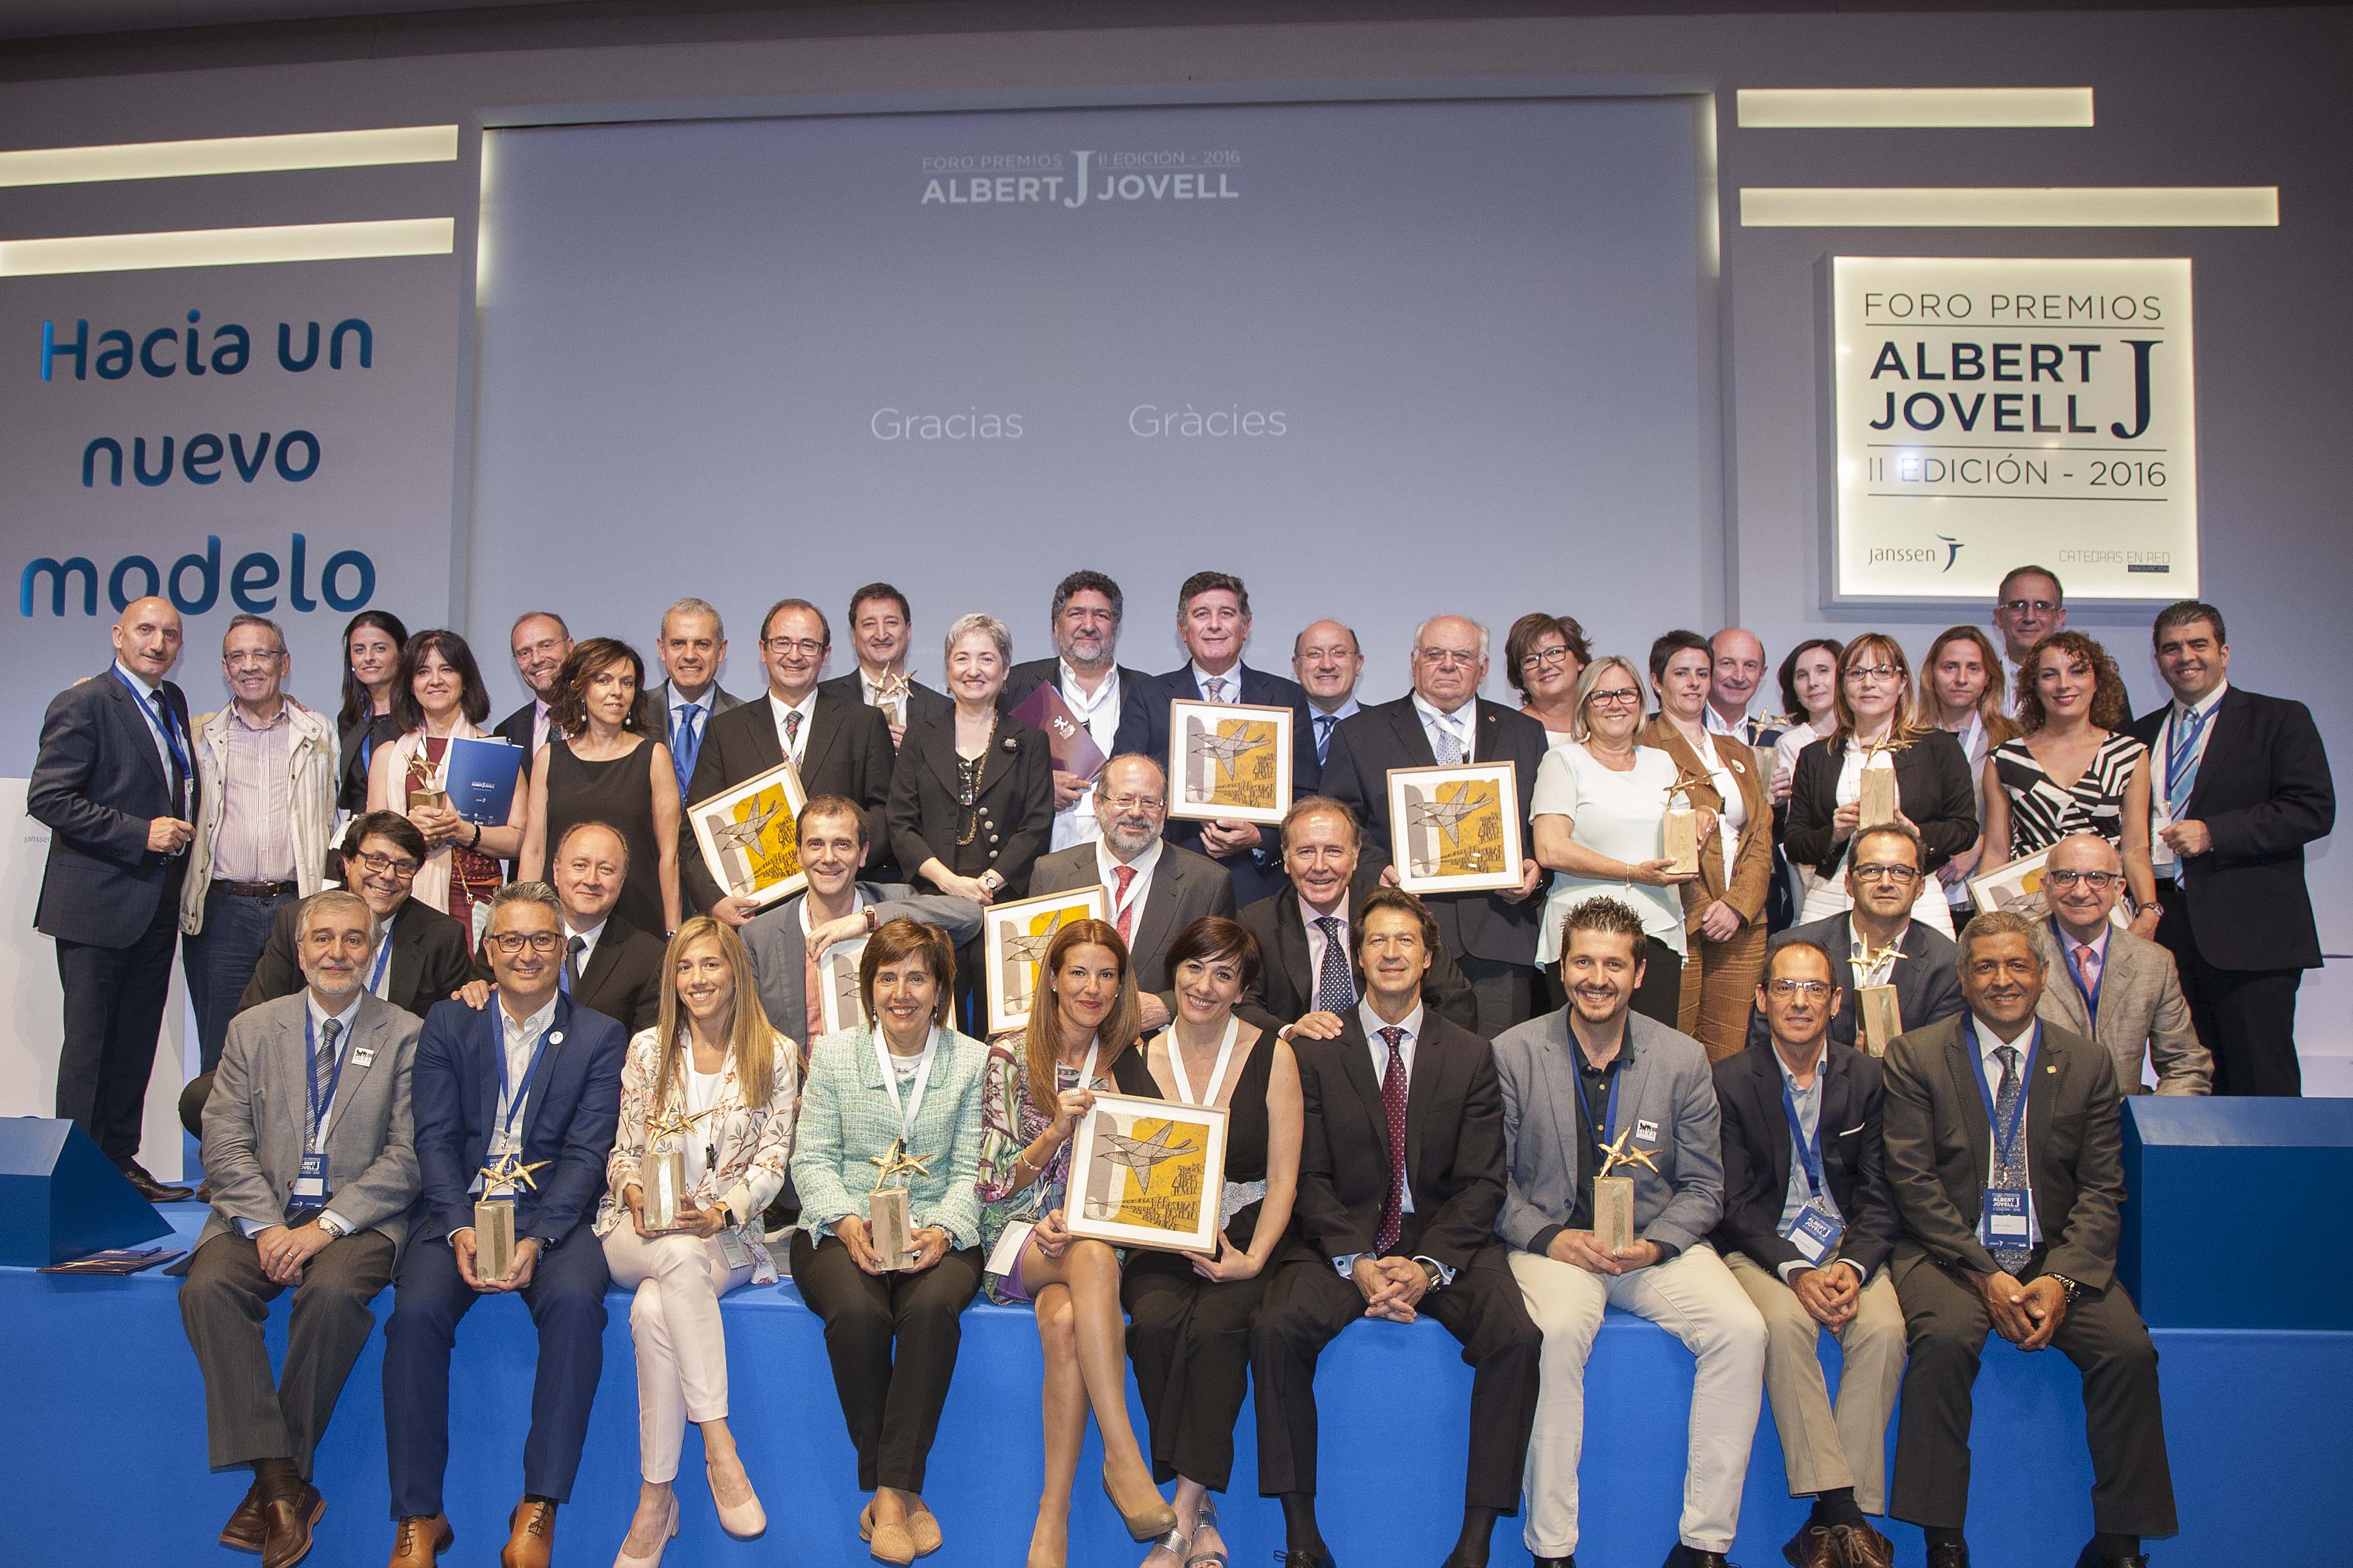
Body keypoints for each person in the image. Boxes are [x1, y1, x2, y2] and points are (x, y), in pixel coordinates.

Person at [1252, 889, 1540, 1568]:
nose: (1390, 952)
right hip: (1342, 1239)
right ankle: (1302, 1537)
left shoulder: (1470, 1054)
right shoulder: (1316, 1052)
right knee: (1273, 1329)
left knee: (1517, 1338)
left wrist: (1428, 1266)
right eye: (1376, 940)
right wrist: (1355, 1259)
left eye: (1404, 940)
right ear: (1357, 956)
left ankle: (1474, 1544)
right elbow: (1307, 1177)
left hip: (1441, 1240)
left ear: (1428, 957)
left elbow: (1482, 1183)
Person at [1881, 911, 2176, 1568]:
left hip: (2054, 1257)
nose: (2002, 979)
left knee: (2128, 1350)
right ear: (1962, 978)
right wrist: (1984, 1272)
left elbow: (2102, 1189)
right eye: (1985, 966)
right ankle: (1943, 1540)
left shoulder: (2087, 1063)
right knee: (1944, 1340)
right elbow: (1912, 1182)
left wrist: (2060, 1278)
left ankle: (2119, 1543)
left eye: (2016, 964)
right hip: (1949, 1254)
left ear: (2042, 974)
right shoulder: (1916, 1056)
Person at [1492, 897, 1764, 1568]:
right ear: (1561, 968)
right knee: (1557, 1333)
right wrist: (1550, 1237)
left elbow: (1704, 1186)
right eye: (1583, 962)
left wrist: (1657, 1244)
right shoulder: (1512, 1052)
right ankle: (1552, 1548)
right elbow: (1490, 1184)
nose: (1597, 978)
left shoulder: (1683, 1058)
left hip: (1649, 1247)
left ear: (1639, 974)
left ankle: (1704, 1545)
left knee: (1742, 1330)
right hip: (1555, 1247)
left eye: (1613, 965)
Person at [381, 882, 627, 1568]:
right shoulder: (448, 1022)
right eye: (511, 939)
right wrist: (459, 1226)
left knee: (576, 1306)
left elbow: (588, 1153)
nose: (527, 953)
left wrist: (538, 1238)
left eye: (542, 939)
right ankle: (419, 1514)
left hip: (554, 1217)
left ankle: (539, 1504)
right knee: (414, 1316)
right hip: (460, 1211)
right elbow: (433, 1138)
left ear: (563, 948)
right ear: (488, 949)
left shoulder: (600, 1034)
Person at [178, 889, 420, 1568]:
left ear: (372, 951)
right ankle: (284, 1481)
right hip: (262, 1214)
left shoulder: (407, 1033)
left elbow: (409, 1155)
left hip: (359, 1219)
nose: (337, 952)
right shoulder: (253, 1028)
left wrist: (325, 1228)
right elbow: (224, 1140)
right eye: (323, 938)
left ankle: (273, 1484)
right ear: (300, 947)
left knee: (333, 1294)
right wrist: (264, 1227)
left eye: (353, 939)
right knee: (207, 1288)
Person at [970, 920, 1178, 1567]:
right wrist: (1055, 1132)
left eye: (1106, 974)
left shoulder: (1130, 1061)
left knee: (1064, 1320)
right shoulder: (1009, 1054)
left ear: (1121, 987)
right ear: (1054, 980)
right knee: (1087, 1255)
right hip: (1016, 1235)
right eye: (1079, 972)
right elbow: (992, 1183)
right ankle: (1122, 1455)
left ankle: (1051, 1517)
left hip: (1097, 1244)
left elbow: (1151, 1177)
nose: (1092, 987)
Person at [597, 917, 801, 1566]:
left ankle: (655, 1500)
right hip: (634, 1233)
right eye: (685, 967)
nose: (697, 979)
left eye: (710, 964)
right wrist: (635, 1193)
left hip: (724, 1239)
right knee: (673, 1257)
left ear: (736, 971)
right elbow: (621, 1152)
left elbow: (772, 1162)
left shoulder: (776, 1053)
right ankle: (719, 1446)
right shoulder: (647, 1049)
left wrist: (717, 1212)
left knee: (655, 1306)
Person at [787, 918, 989, 1567]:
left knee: (931, 1311)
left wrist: (943, 1229)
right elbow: (811, 1159)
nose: (901, 992)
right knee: (857, 1313)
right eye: (887, 977)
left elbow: (971, 1170)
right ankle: (903, 1495)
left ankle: (886, 1495)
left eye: (917, 977)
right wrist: (847, 1222)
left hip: (938, 1230)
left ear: (940, 990)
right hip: (840, 1226)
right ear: (867, 988)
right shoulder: (833, 1055)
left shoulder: (973, 1061)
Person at [1112, 916, 1302, 1568]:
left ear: (1243, 989)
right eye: (1194, 967)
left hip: (1246, 1227)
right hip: (1158, 1231)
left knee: (1218, 1330)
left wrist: (1252, 1258)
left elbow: (1284, 1177)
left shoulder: (1274, 1054)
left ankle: (1183, 1515)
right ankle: (1203, 1510)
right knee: (1155, 1327)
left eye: (1224, 974)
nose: (1205, 985)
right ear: (1173, 972)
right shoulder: (1133, 1057)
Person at [1713, 940, 1904, 1568]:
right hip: (1765, 1250)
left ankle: (1824, 1523)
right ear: (1761, 998)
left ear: (1836, 1000)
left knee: (1884, 1330)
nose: (1799, 1001)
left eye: (1814, 988)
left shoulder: (1869, 1078)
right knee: (1785, 1325)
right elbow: (1734, 1202)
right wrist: (1795, 1270)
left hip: (1848, 1248)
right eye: (1785, 987)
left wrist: (1852, 1266)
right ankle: (1846, 1515)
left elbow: (1881, 1194)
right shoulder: (1729, 1080)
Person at [30, 594, 200, 1201]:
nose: (158, 643)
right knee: (89, 1049)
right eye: (146, 630)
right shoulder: (84, 702)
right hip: (96, 904)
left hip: (155, 904)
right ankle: (77, 1181)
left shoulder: (172, 701)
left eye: (171, 634)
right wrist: (139, 833)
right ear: (117, 635)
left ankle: (119, 1164)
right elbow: (48, 797)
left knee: (134, 1044)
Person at [2126, 601, 2334, 1096]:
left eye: (2198, 644)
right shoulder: (2139, 736)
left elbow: (2312, 809)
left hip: (2252, 938)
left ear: (2224, 652)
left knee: (2262, 1085)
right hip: (2169, 934)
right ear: (2158, 661)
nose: (2185, 657)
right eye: (2172, 648)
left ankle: (2276, 1156)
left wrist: (2215, 832)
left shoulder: (2278, 718)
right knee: (2191, 1085)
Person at [1322, 614, 1548, 1035]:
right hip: (1401, 935)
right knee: (1407, 1065)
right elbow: (1340, 822)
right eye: (1434, 654)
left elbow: (1543, 823)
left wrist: (1535, 867)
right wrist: (1375, 868)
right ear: (1414, 662)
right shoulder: (1360, 733)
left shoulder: (1525, 733)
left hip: (1499, 936)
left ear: (1483, 668)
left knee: (1501, 1067)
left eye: (1463, 655)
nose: (1448, 665)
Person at [180, 614, 338, 1075]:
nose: (249, 665)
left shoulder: (319, 732)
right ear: (225, 668)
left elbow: (337, 818)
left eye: (261, 654)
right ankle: (220, 1129)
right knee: (222, 1049)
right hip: (222, 913)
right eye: (237, 656)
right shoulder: (199, 735)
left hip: (297, 907)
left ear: (284, 663)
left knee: (296, 1048)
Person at [681, 598, 898, 922]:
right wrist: (715, 902)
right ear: (763, 650)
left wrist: (843, 858)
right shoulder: (725, 731)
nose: (795, 655)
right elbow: (694, 832)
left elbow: (887, 813)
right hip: (756, 917)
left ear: (825, 655)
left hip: (842, 912)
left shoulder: (863, 723)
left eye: (808, 645)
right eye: (782, 643)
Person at [1112, 571, 1319, 906]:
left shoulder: (1285, 698)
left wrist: (1262, 838)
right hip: (1169, 877)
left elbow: (1307, 794)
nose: (1214, 625)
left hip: (1260, 885)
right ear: (1183, 629)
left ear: (1245, 626)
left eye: (1226, 613)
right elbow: (1123, 782)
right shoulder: (1148, 696)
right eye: (1201, 614)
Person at [740, 794, 986, 1054]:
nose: (829, 857)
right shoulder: (758, 936)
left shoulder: (895, 901)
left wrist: (866, 920)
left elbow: (970, 916)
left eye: (842, 845)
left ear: (863, 853)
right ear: (798, 854)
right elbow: (751, 1036)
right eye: (816, 844)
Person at [1530, 656, 1696, 1026]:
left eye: (1626, 693)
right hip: (1583, 935)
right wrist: (1632, 872)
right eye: (1602, 695)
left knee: (1653, 1051)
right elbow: (1550, 848)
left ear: (1641, 701)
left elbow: (1681, 840)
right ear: (1584, 705)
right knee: (1578, 1050)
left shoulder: (1662, 763)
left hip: (1656, 931)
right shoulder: (1563, 761)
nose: (1615, 704)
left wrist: (1700, 824)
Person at [1234, 795, 1479, 1037]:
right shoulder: (1257, 923)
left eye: (1333, 851)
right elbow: (1240, 1005)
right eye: (1306, 852)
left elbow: (1455, 1002)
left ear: (1355, 856)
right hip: (1297, 1055)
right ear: (1287, 858)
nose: (1319, 866)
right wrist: (1288, 1032)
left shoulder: (1396, 913)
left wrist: (1404, 1045)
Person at [1786, 635, 1976, 937]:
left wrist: (1916, 834)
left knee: (1929, 968)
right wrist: (1834, 834)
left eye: (1882, 672)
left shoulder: (1938, 748)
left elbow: (1965, 828)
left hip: (1916, 895)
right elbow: (1795, 842)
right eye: (1856, 673)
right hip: (1833, 894)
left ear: (1902, 683)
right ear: (1842, 684)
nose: (1868, 683)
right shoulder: (1816, 756)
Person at [1028, 754, 1236, 1027]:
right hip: (1066, 1037)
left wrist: (1168, 1006)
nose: (1136, 812)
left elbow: (1223, 978)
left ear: (1164, 810)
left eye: (1149, 802)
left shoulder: (1208, 883)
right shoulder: (1051, 873)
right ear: (1098, 804)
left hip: (1158, 1042)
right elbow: (1035, 970)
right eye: (1124, 800)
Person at [1643, 629, 1772, 1059]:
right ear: (1657, 681)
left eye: (1702, 673)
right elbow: (1652, 836)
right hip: (1679, 918)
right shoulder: (1643, 745)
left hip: (1742, 923)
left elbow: (1760, 834)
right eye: (1681, 673)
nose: (1694, 683)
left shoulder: (1737, 751)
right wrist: (1703, 910)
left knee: (1728, 1055)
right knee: (1673, 1051)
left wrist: (1738, 905)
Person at [1979, 631, 2158, 938]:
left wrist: (2149, 910)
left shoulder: (2129, 755)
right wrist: (1987, 929)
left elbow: (2136, 850)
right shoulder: (2005, 759)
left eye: (2077, 672)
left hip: (2109, 919)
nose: (2064, 684)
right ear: (2035, 686)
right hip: (2030, 920)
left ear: (2097, 681)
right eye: (2050, 674)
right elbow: (1996, 854)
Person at [1746, 824, 1967, 1059]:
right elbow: (1764, 1051)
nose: (1886, 883)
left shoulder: (1947, 964)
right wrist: (1851, 1070)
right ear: (1849, 884)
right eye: (1871, 870)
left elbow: (1942, 1062)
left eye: (1901, 872)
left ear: (1920, 886)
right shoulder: (1791, 949)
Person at [236, 813, 478, 1024]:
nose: (388, 875)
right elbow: (255, 1016)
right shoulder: (298, 918)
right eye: (377, 861)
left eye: (404, 866)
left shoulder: (442, 936)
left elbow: (451, 1031)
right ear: (348, 862)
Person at [888, 612, 1054, 913]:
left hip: (1002, 901)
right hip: (931, 899)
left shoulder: (1032, 742)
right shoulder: (920, 737)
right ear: (948, 668)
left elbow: (1036, 828)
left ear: (1006, 670)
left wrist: (987, 884)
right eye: (962, 659)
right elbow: (901, 824)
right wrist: (950, 883)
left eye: (986, 659)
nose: (973, 670)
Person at [367, 630, 526, 939]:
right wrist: (408, 831)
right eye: (423, 672)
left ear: (465, 680)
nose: (435, 680)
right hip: (402, 896)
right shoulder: (389, 755)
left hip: (473, 899)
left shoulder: (494, 752)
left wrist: (462, 831)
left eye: (447, 669)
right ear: (410, 684)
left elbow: (521, 840)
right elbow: (372, 840)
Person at [519, 638, 682, 938]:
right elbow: (535, 849)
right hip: (559, 922)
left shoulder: (653, 757)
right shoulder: (548, 758)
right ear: (580, 688)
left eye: (627, 682)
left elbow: (669, 854)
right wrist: (523, 922)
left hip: (636, 922)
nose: (617, 691)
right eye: (604, 680)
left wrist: (673, 931)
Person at [2031, 834, 2210, 1096]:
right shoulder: (2015, 956)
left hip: (2124, 1116)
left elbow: (2186, 1064)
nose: (2080, 892)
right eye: (2066, 877)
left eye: (2097, 878)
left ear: (2118, 889)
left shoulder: (2153, 962)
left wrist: (2149, 1119)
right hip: (2039, 1119)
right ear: (2046, 887)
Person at [454, 822, 667, 1036]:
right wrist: (474, 991)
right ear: (556, 871)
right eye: (580, 866)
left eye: (606, 870)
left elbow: (644, 1049)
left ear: (622, 879)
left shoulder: (648, 958)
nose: (591, 880)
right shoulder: (507, 937)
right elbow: (480, 1009)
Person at [1001, 570, 1149, 854]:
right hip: (1035, 858)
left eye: (1101, 616)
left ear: (1115, 627)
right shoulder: (1015, 686)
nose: (1089, 626)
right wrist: (1038, 788)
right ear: (1056, 626)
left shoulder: (1148, 692)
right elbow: (988, 771)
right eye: (1077, 614)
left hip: (1127, 858)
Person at [1917, 627, 2015, 920]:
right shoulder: (1907, 740)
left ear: (1988, 678)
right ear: (1932, 675)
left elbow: (2028, 819)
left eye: (1973, 668)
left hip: (1985, 891)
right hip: (1920, 892)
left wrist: (1981, 843)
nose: (1961, 678)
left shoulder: (2012, 741)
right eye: (1950, 667)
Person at [819, 581, 952, 748]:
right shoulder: (824, 699)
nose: (881, 635)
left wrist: (916, 754)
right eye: (869, 624)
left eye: (891, 622)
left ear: (908, 631)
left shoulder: (941, 709)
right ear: (854, 635)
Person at [1769, 638, 1845, 929]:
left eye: (1823, 671)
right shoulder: (1790, 744)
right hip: (1813, 872)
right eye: (1802, 675)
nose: (1813, 683)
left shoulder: (1867, 737)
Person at [643, 598, 743, 809]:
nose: (690, 655)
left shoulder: (745, 719)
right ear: (662, 649)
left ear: (721, 650)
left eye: (702, 644)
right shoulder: (634, 713)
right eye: (678, 644)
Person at [336, 609, 410, 820]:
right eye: (359, 650)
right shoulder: (349, 719)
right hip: (360, 830)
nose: (368, 658)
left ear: (401, 654)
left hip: (409, 830)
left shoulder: (421, 718)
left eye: (380, 648)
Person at [494, 612, 574, 781]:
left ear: (570, 646)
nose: (537, 659)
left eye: (546, 646)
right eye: (525, 653)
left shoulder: (603, 717)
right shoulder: (507, 731)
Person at [1989, 566, 2068, 715]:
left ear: (2059, 618)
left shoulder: (2083, 691)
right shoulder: (1976, 688)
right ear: (1999, 617)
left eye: (2042, 607)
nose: (2030, 618)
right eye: (2018, 606)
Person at [1504, 612, 1591, 745]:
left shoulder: (1605, 721)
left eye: (1554, 652)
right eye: (1531, 660)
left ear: (1579, 659)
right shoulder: (1511, 733)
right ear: (1521, 676)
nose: (1545, 666)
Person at [1292, 619, 1366, 767]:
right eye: (1314, 654)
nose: (1327, 665)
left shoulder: (1386, 731)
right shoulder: (1278, 732)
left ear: (1358, 663)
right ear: (1297, 667)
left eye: (1338, 653)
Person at [1706, 628, 1783, 750]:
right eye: (1727, 664)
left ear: (1762, 673)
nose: (1739, 677)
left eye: (1750, 666)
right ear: (1707, 667)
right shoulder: (1679, 730)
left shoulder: (1772, 741)